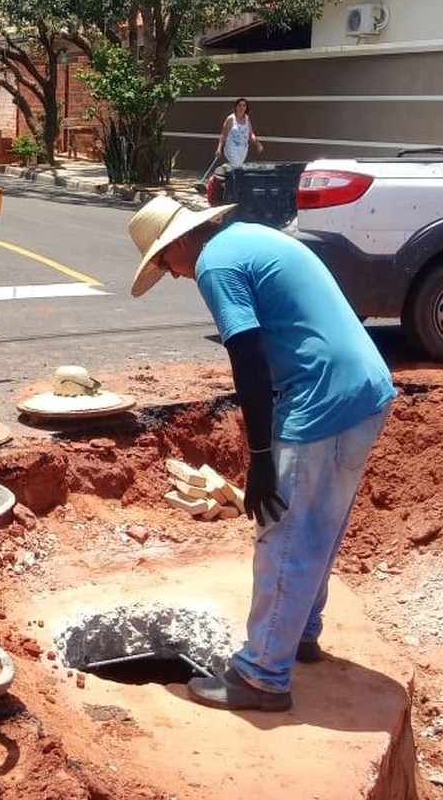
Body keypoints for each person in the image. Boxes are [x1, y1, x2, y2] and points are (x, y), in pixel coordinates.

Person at [127, 195, 396, 712]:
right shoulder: (248, 239)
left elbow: (246, 356)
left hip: (321, 397)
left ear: (181, 241)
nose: (174, 275)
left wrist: (261, 456)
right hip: (363, 388)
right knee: (318, 523)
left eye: (165, 261)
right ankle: (299, 636)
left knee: (286, 532)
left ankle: (263, 676)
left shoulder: (214, 263)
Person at [216, 97, 263, 170]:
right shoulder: (231, 118)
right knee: (237, 166)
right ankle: (225, 168)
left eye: (244, 105)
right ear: (236, 107)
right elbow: (223, 134)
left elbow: (251, 134)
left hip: (243, 149)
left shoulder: (247, 118)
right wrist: (219, 148)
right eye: (240, 105)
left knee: (237, 168)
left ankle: (228, 171)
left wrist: (258, 143)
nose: (242, 107)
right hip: (232, 148)